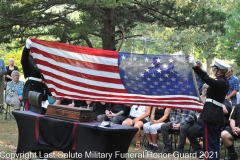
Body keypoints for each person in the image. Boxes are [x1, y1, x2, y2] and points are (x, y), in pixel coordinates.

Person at [189, 57, 230, 160]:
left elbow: (206, 78)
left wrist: (195, 66)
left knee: (209, 144)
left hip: (211, 115)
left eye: (214, 68)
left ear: (218, 70)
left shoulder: (221, 82)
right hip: (214, 115)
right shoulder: (222, 81)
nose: (213, 70)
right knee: (214, 143)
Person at [21, 38, 50, 111]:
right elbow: (24, 57)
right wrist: (27, 47)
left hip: (39, 89)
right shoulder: (28, 59)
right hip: (31, 88)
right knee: (30, 113)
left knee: (39, 113)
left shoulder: (39, 61)